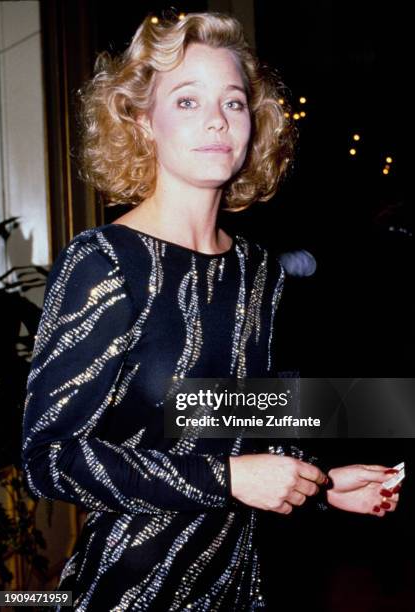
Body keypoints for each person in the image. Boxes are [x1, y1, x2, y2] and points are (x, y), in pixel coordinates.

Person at [21, 11, 401, 611]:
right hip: (129, 591)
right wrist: (227, 478)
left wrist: (322, 486)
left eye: (233, 102)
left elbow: (240, 418)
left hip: (239, 588)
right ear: (144, 124)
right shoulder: (105, 262)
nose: (217, 121)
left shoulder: (256, 270)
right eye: (187, 102)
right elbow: (48, 459)